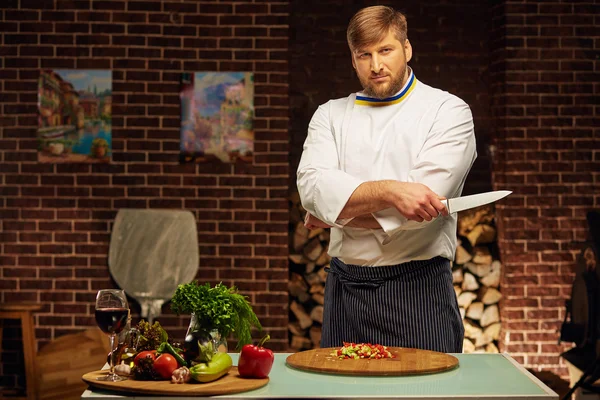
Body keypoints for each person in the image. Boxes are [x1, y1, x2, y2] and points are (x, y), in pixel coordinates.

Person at [296, 5, 477, 353]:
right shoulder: (330, 115)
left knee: (426, 392)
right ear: (353, 59)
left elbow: (420, 211)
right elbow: (312, 189)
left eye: (385, 50)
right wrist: (393, 191)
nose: (376, 65)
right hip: (345, 290)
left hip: (418, 289)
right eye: (364, 54)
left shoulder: (448, 111)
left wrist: (337, 214)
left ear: (406, 49)